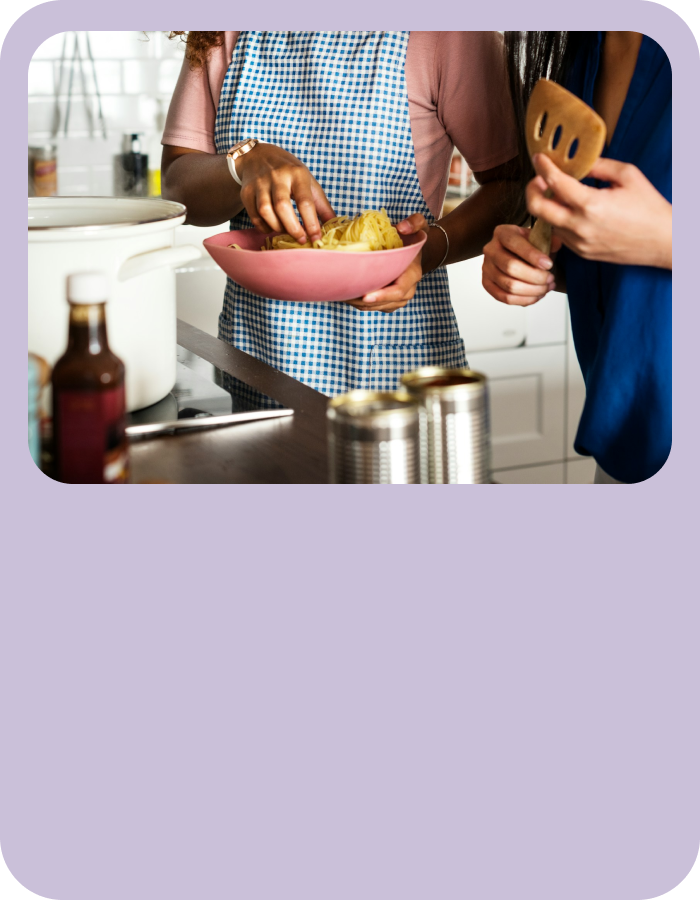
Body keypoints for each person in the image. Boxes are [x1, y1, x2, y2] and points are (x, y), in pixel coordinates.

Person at [161, 31, 519, 396]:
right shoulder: (222, 26)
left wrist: (425, 253)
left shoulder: (451, 30)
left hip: (390, 358)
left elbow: (515, 184)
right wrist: (242, 163)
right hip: (255, 356)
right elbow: (177, 190)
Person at [482, 32, 671, 484]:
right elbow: (623, 264)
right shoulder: (586, 52)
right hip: (625, 443)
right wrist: (541, 263)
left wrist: (669, 239)